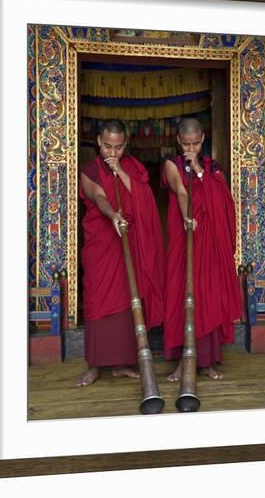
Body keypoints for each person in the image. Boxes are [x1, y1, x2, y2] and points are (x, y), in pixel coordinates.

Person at [76, 119, 165, 387]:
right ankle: (94, 364)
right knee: (96, 296)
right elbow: (98, 196)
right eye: (106, 147)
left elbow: (144, 199)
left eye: (117, 147)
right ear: (98, 143)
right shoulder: (89, 169)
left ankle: (122, 363)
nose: (111, 153)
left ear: (125, 144)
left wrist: (122, 174)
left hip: (129, 242)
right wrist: (112, 214)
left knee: (128, 299)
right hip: (102, 245)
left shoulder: (133, 168)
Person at [162, 117, 241, 381]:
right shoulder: (171, 165)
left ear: (203, 139)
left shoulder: (213, 168)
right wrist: (187, 216)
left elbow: (222, 201)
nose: (191, 149)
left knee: (207, 296)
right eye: (186, 144)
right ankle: (182, 362)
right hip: (185, 238)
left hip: (208, 243)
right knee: (182, 295)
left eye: (195, 144)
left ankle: (206, 362)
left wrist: (197, 169)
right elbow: (182, 192)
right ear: (178, 141)